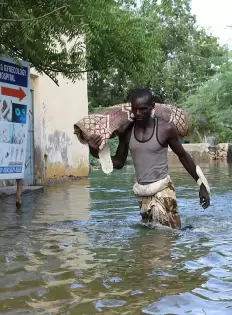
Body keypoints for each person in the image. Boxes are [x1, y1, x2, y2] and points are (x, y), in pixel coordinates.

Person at [88, 88, 211, 229]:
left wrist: (202, 184)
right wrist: (94, 150)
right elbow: (119, 162)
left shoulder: (166, 129)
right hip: (143, 195)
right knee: (148, 240)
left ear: (152, 106)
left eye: (142, 109)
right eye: (134, 109)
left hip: (163, 191)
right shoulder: (127, 132)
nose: (138, 113)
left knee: (168, 235)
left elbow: (183, 156)